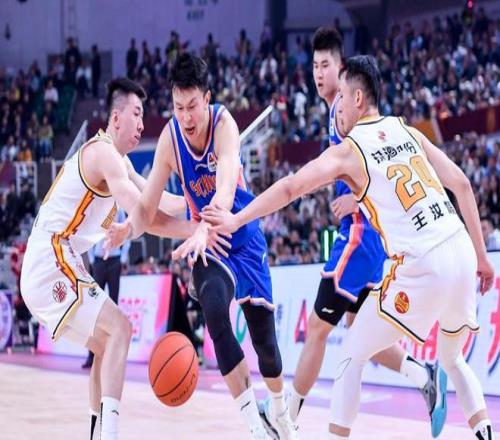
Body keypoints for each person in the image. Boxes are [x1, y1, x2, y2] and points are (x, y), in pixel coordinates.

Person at [201, 56, 495, 440]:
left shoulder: (350, 151)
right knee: (453, 360)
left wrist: (237, 219)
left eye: (341, 95)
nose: (337, 104)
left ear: (357, 98)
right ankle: (484, 430)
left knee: (352, 354)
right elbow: (462, 185)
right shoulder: (407, 130)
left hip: (424, 263)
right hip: (461, 248)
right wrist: (483, 258)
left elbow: (290, 188)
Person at [259, 27, 446, 439]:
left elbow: (379, 166)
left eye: (325, 65)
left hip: (361, 236)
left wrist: (356, 204)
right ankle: (423, 374)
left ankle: (283, 417)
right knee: (358, 329)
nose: (318, 73)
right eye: (314, 66)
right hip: (368, 239)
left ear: (341, 70)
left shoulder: (346, 113)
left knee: (317, 328)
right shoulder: (334, 112)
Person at [105, 53, 297, 440]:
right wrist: (129, 228)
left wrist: (203, 228)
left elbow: (224, 191)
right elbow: (149, 207)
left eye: (192, 106)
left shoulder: (225, 126)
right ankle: (256, 429)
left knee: (267, 348)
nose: (186, 116)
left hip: (241, 234)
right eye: (178, 107)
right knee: (213, 310)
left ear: (207, 99)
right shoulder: (169, 140)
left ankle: (279, 412)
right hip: (209, 246)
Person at [20, 77, 224, 440]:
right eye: (137, 114)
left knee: (106, 345)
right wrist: (194, 229)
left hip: (56, 260)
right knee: (121, 329)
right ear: (116, 118)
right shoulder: (103, 154)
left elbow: (158, 200)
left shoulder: (121, 162)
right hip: (51, 257)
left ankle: (97, 433)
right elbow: (141, 213)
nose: (143, 124)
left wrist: (200, 202)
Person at [82, 208, 131, 369]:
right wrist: (91, 259)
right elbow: (88, 235)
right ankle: (92, 355)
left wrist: (123, 257)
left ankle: (113, 356)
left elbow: (127, 232)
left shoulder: (119, 210)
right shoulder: (96, 207)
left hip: (115, 260)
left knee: (114, 308)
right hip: (98, 261)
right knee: (95, 308)